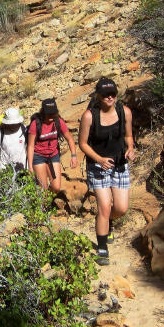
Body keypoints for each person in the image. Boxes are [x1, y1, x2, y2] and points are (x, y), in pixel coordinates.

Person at [78, 78, 135, 266]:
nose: (109, 97)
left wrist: (130, 148)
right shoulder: (90, 116)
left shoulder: (124, 112)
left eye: (113, 94)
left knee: (121, 208)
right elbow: (83, 144)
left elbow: (128, 135)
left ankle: (108, 223)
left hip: (119, 164)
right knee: (104, 206)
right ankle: (102, 248)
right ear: (98, 96)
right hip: (97, 166)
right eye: (105, 94)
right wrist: (99, 159)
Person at [27, 98, 78, 193]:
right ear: (43, 112)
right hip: (38, 156)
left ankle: (48, 200)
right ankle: (44, 206)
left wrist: (74, 156)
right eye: (48, 113)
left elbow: (70, 138)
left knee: (56, 187)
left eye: (53, 113)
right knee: (42, 188)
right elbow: (30, 146)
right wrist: (30, 166)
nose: (51, 116)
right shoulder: (36, 124)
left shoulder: (58, 122)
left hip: (53, 155)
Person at [0, 107, 28, 172]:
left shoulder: (25, 130)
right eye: (11, 124)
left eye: (15, 123)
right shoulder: (0, 132)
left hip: (23, 170)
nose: (13, 125)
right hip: (5, 171)